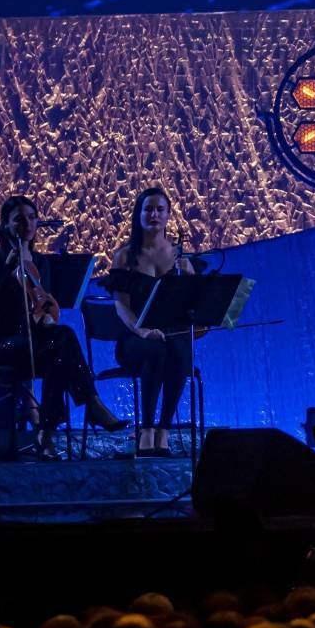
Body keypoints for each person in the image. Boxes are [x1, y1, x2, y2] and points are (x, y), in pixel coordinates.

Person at [0, 195, 124, 458]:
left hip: (35, 342)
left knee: (60, 350)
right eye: (19, 219)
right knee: (63, 341)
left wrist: (45, 315)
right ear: (5, 225)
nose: (27, 223)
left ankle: (46, 432)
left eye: (32, 217)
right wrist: (8, 265)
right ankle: (88, 405)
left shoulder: (40, 261)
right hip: (5, 342)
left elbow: (44, 306)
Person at [105, 187, 196, 456]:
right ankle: (145, 429)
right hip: (135, 338)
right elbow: (121, 305)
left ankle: (164, 430)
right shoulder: (124, 256)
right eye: (148, 209)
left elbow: (194, 303)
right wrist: (141, 331)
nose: (153, 214)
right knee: (156, 349)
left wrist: (187, 277)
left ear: (168, 215)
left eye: (159, 209)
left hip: (170, 335)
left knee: (179, 349)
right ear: (138, 214)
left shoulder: (180, 256)